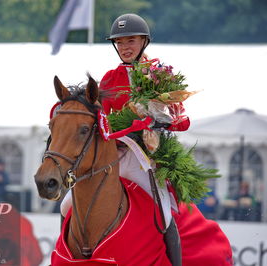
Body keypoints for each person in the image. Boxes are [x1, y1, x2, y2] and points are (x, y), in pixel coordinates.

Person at [98, 13, 232, 265]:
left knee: (164, 210)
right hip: (112, 153)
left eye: (131, 41)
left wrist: (159, 119)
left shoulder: (158, 74)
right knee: (68, 202)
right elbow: (102, 118)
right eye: (120, 43)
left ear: (144, 42)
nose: (125, 48)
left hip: (145, 154)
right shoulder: (108, 79)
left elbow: (181, 119)